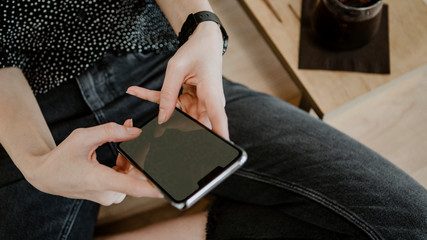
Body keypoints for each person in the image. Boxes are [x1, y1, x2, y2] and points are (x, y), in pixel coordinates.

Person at [0, 0, 426, 239]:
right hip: (25, 112)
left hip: (163, 71)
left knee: (411, 224)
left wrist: (202, 25)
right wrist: (36, 161)